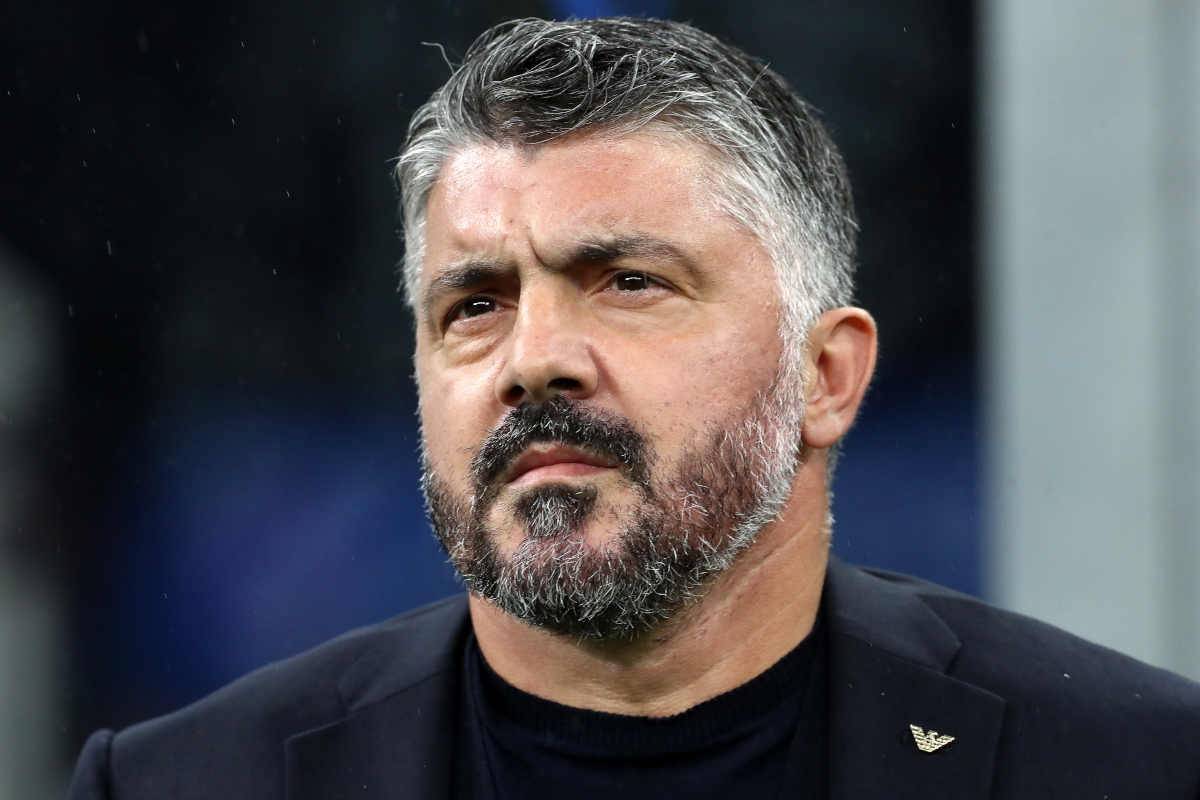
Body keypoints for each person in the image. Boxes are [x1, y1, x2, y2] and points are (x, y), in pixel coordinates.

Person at [67, 17, 1200, 800]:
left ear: (827, 376)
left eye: (629, 282)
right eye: (475, 302)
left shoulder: (1132, 763)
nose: (534, 359)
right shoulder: (180, 783)